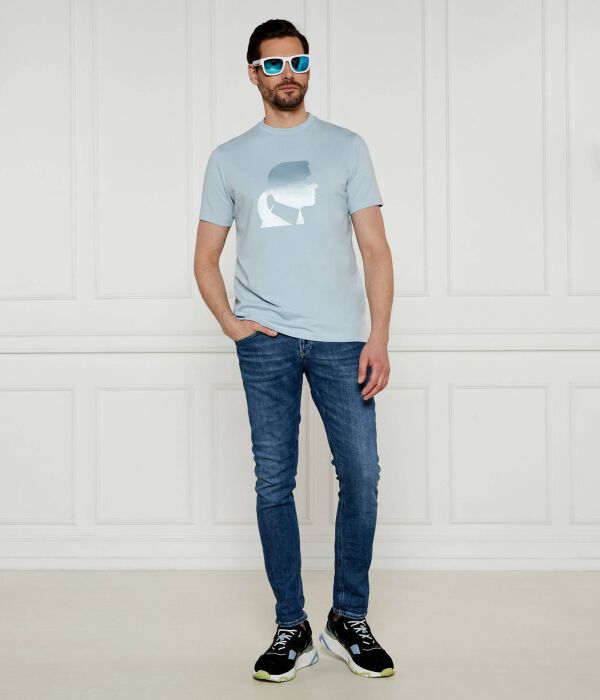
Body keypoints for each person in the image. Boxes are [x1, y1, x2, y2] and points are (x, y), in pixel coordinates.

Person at [194, 18, 395, 682]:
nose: (288, 74)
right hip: (266, 342)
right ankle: (292, 625)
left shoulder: (346, 147)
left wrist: (379, 337)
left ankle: (348, 617)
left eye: (298, 62)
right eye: (275, 64)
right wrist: (232, 324)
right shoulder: (229, 158)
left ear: (309, 68)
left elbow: (375, 250)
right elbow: (205, 258)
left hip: (342, 340)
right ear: (254, 74)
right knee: (273, 482)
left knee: (361, 475)